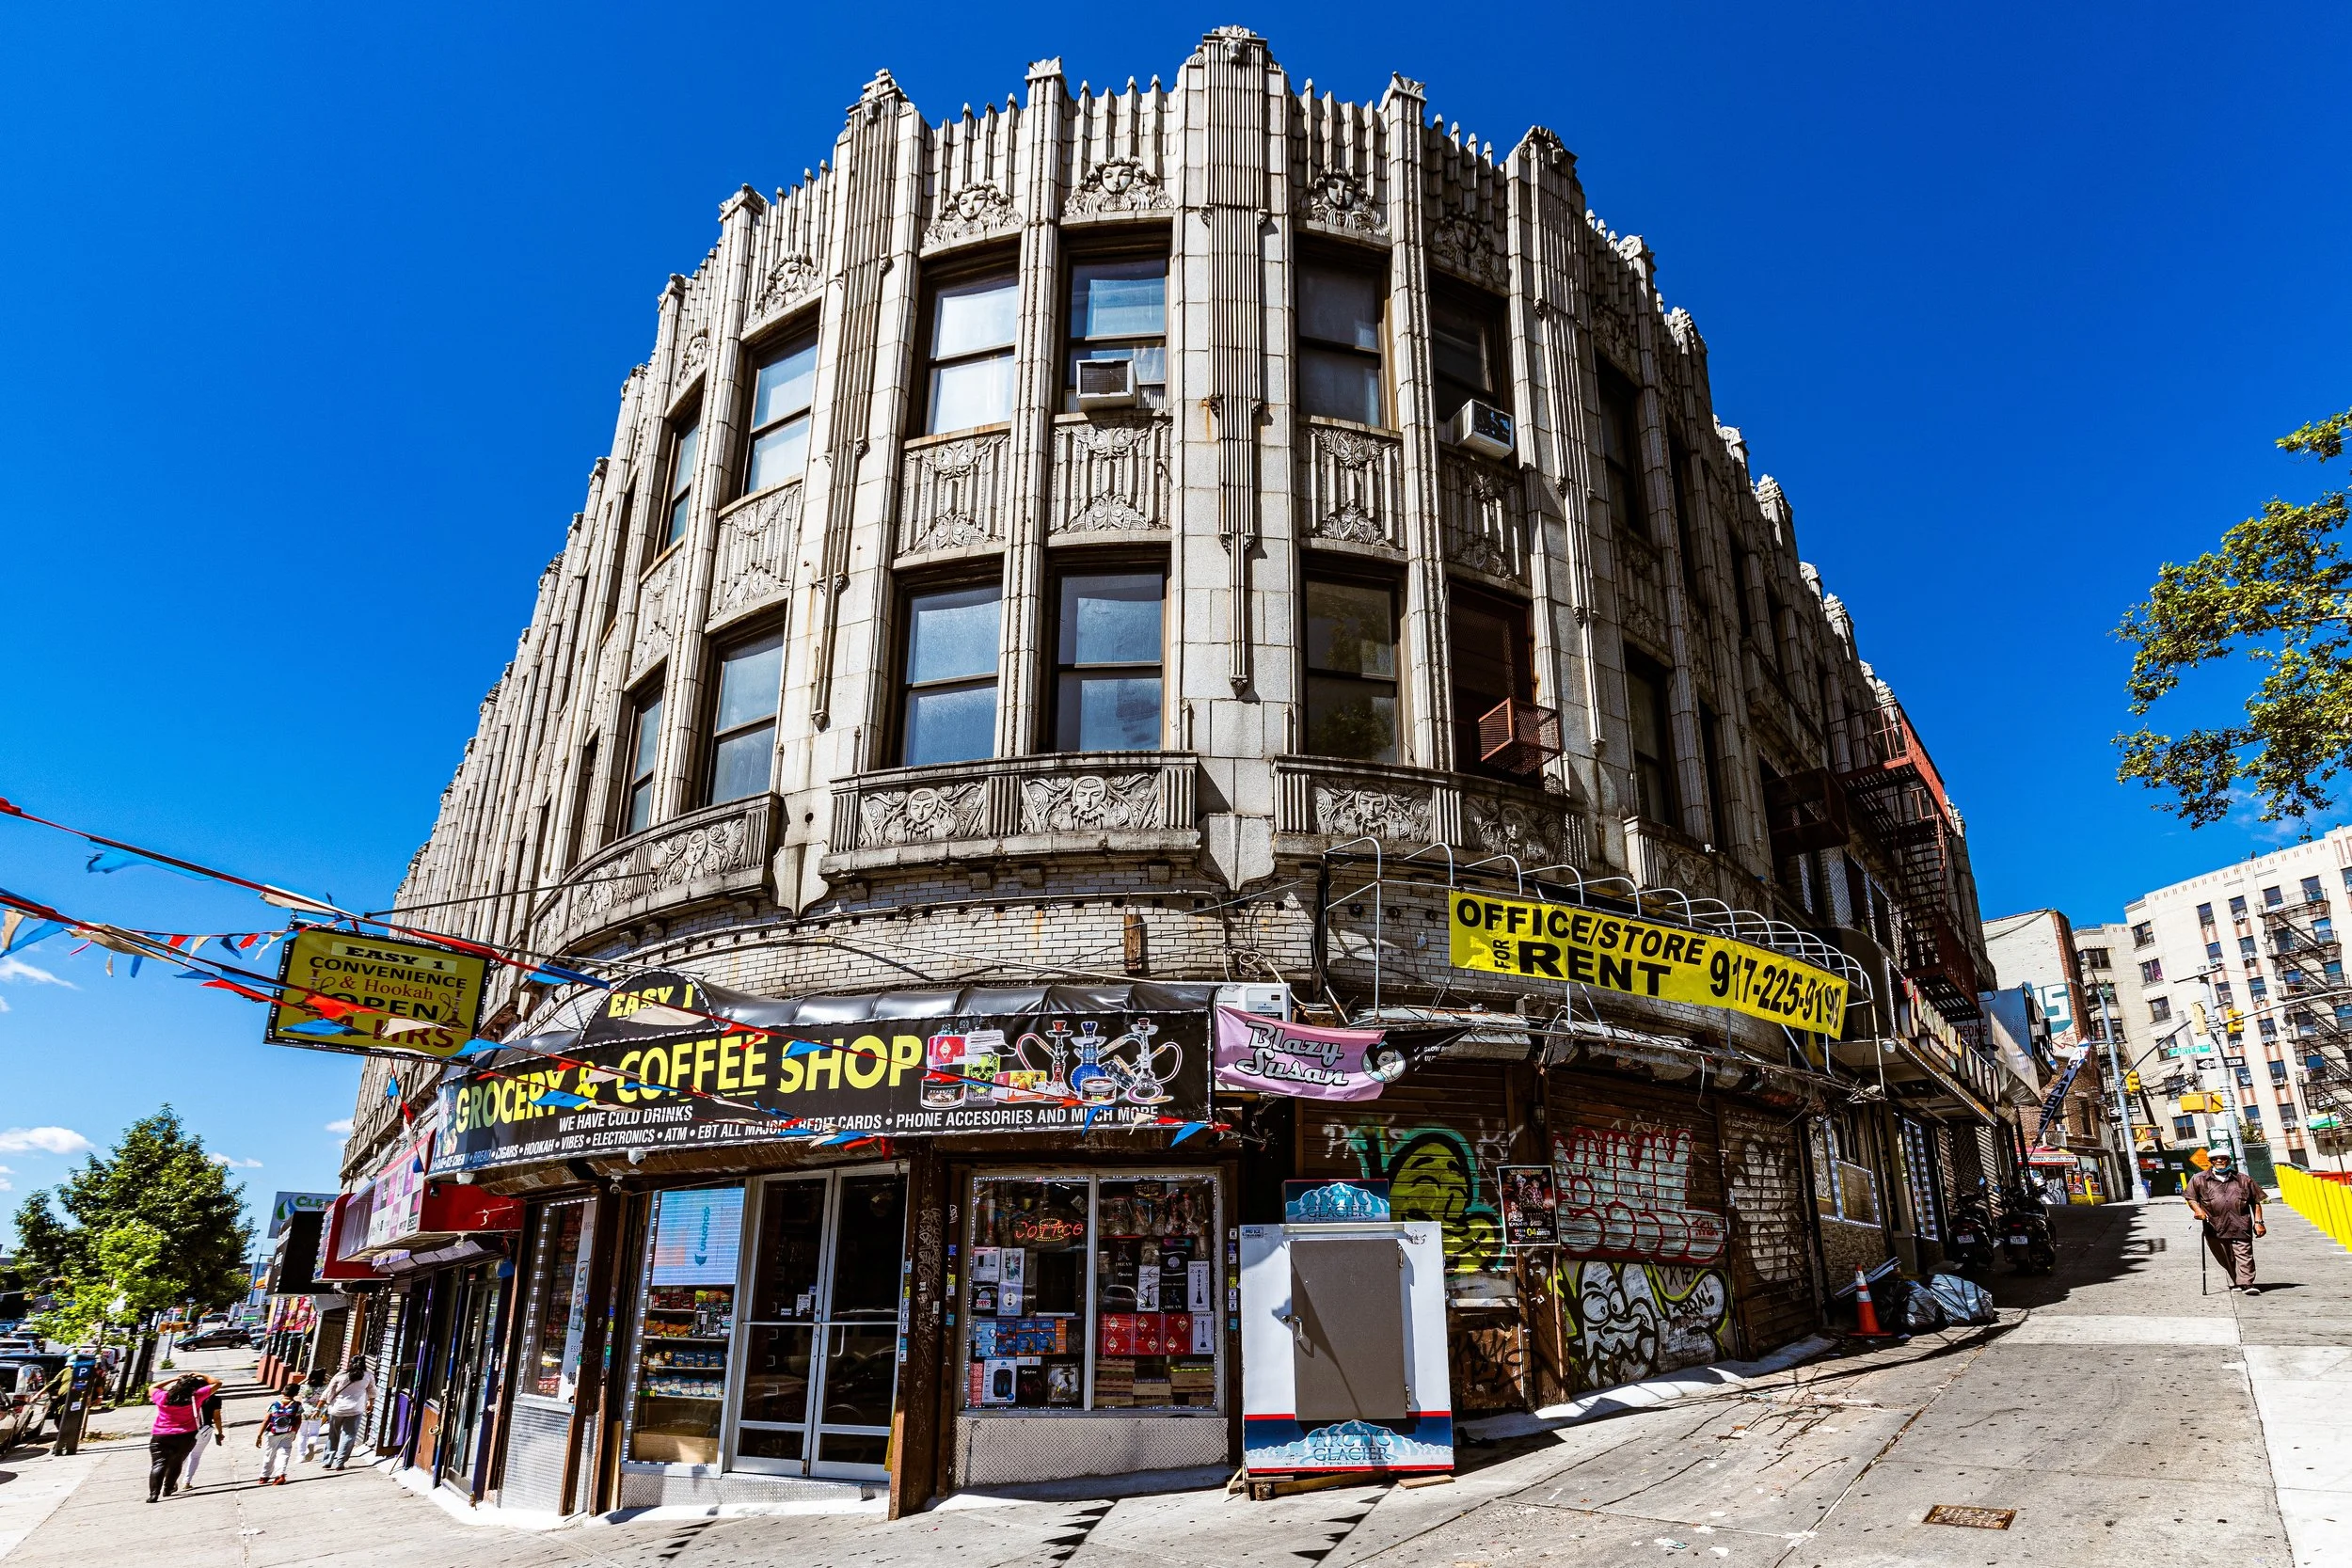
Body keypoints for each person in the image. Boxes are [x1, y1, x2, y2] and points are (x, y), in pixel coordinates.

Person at [2186, 1146, 2268, 1294]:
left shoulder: (2244, 1179)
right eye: (2216, 1159)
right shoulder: (2199, 1179)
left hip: (2241, 1224)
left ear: (2229, 1160)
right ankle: (2238, 1280)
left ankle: (2248, 1284)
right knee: (2225, 1257)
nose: (2220, 1161)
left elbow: (2256, 1201)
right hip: (2215, 1226)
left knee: (2245, 1255)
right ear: (2211, 1161)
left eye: (2223, 1158)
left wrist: (2259, 1222)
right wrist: (2198, 1210)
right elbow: (2191, 1198)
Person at [146, 1372, 222, 1502]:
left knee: (159, 1464)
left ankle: (154, 1494)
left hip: (161, 1435)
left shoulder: (163, 1396)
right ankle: (168, 1488)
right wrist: (200, 1374)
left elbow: (152, 1387)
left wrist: (174, 1378)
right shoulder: (196, 1397)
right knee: (177, 1461)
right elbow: (217, 1383)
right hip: (186, 1436)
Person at [321, 1355, 373, 1469]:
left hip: (337, 1409)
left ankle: (327, 1461)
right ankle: (340, 1462)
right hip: (355, 1409)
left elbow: (329, 1390)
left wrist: (323, 1403)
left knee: (333, 1434)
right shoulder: (368, 1376)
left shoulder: (341, 1375)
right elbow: (372, 1391)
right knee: (349, 1435)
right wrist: (370, 1403)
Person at [177, 1374, 228, 1487]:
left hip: (188, 1430)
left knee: (183, 1455)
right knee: (195, 1455)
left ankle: (171, 1479)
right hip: (205, 1430)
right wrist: (219, 1432)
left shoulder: (187, 1399)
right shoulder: (215, 1399)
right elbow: (217, 1417)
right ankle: (186, 1482)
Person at [254, 1387, 305, 1484]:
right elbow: (298, 1421)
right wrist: (295, 1432)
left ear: (282, 1392)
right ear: (296, 1394)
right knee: (284, 1453)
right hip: (288, 1432)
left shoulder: (274, 1404)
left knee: (269, 1454)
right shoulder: (297, 1405)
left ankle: (264, 1477)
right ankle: (280, 1475)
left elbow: (266, 1420)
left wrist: (259, 1435)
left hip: (272, 1433)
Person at [297, 1367, 328, 1461]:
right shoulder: (324, 1388)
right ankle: (311, 1443)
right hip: (316, 1412)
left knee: (302, 1434)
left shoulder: (305, 1387)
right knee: (314, 1433)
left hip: (303, 1412)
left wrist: (307, 1379)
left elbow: (296, 1387)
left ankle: (301, 1455)